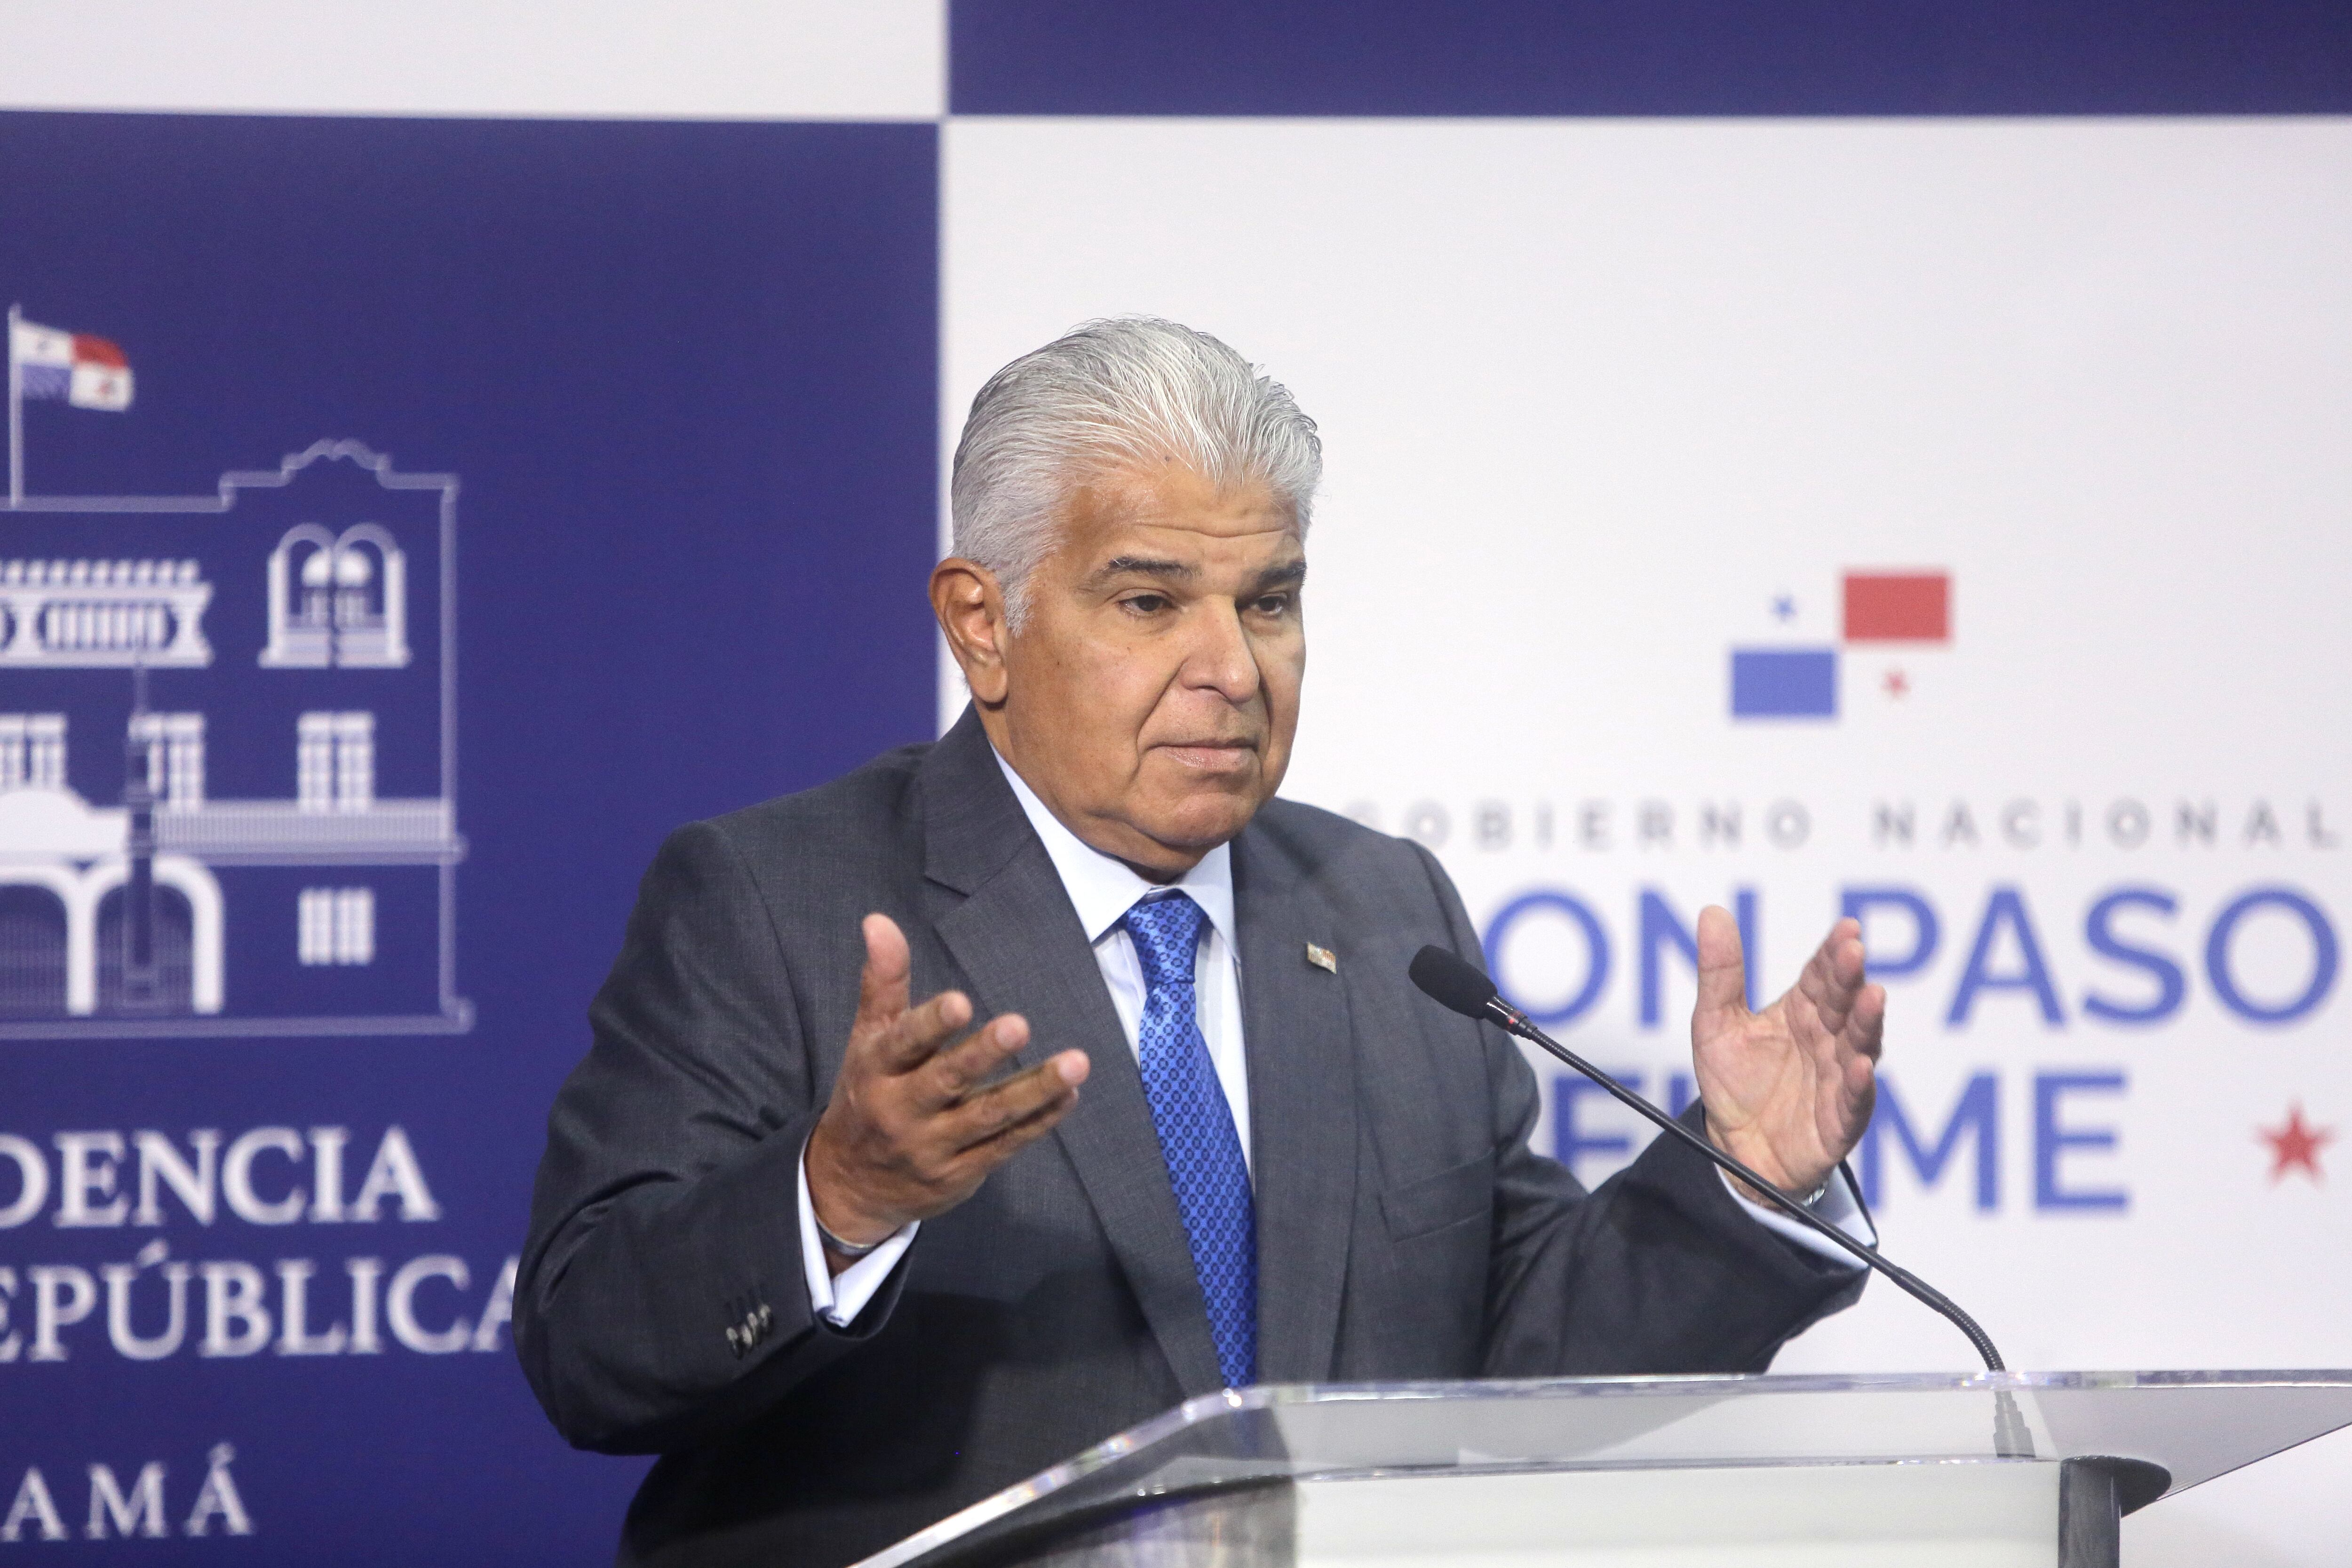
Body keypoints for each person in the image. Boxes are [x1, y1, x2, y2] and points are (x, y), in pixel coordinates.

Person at [516, 318, 1885, 1568]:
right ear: (982, 624)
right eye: (1150, 602)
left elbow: (1517, 1367)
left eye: (1270, 602)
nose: (1233, 667)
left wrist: (1742, 1186)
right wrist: (836, 1198)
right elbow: (589, 1350)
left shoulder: (1382, 909)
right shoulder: (775, 899)